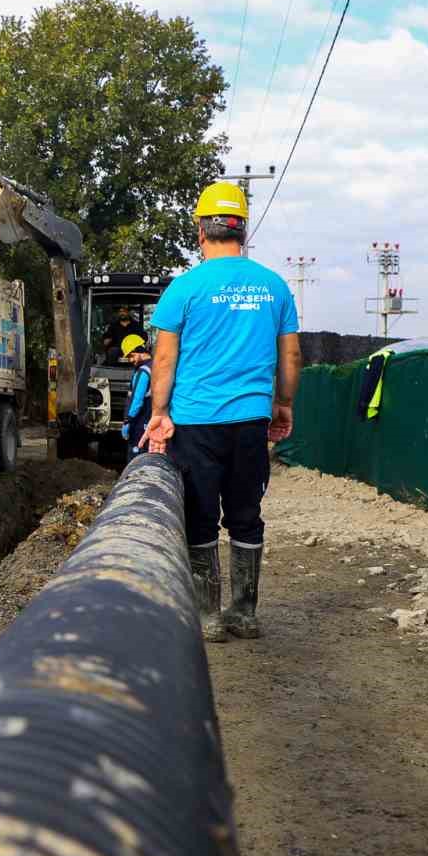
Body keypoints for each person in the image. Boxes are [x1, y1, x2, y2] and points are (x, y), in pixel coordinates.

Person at [142, 182, 301, 642]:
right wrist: (283, 404)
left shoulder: (184, 288)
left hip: (194, 422)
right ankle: (245, 613)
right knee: (246, 514)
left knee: (200, 515)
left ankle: (209, 618)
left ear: (200, 231)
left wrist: (159, 411)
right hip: (251, 421)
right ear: (242, 230)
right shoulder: (273, 286)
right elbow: (290, 358)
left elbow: (165, 360)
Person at [118, 334, 153, 459]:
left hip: (139, 424)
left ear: (140, 350)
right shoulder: (155, 366)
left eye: (131, 356)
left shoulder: (143, 372)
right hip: (151, 423)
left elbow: (137, 401)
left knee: (136, 460)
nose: (131, 360)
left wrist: (128, 421)